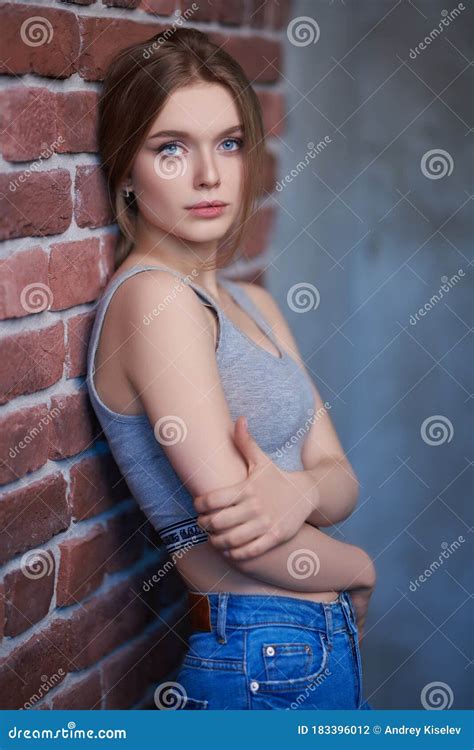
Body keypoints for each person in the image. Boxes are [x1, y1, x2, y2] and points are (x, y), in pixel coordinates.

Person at [87, 27, 376, 710]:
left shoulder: (257, 304)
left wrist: (300, 493)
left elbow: (342, 481)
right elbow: (240, 536)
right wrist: (357, 570)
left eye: (228, 143)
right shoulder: (152, 300)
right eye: (170, 149)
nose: (210, 176)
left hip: (306, 642)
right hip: (263, 653)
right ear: (126, 167)